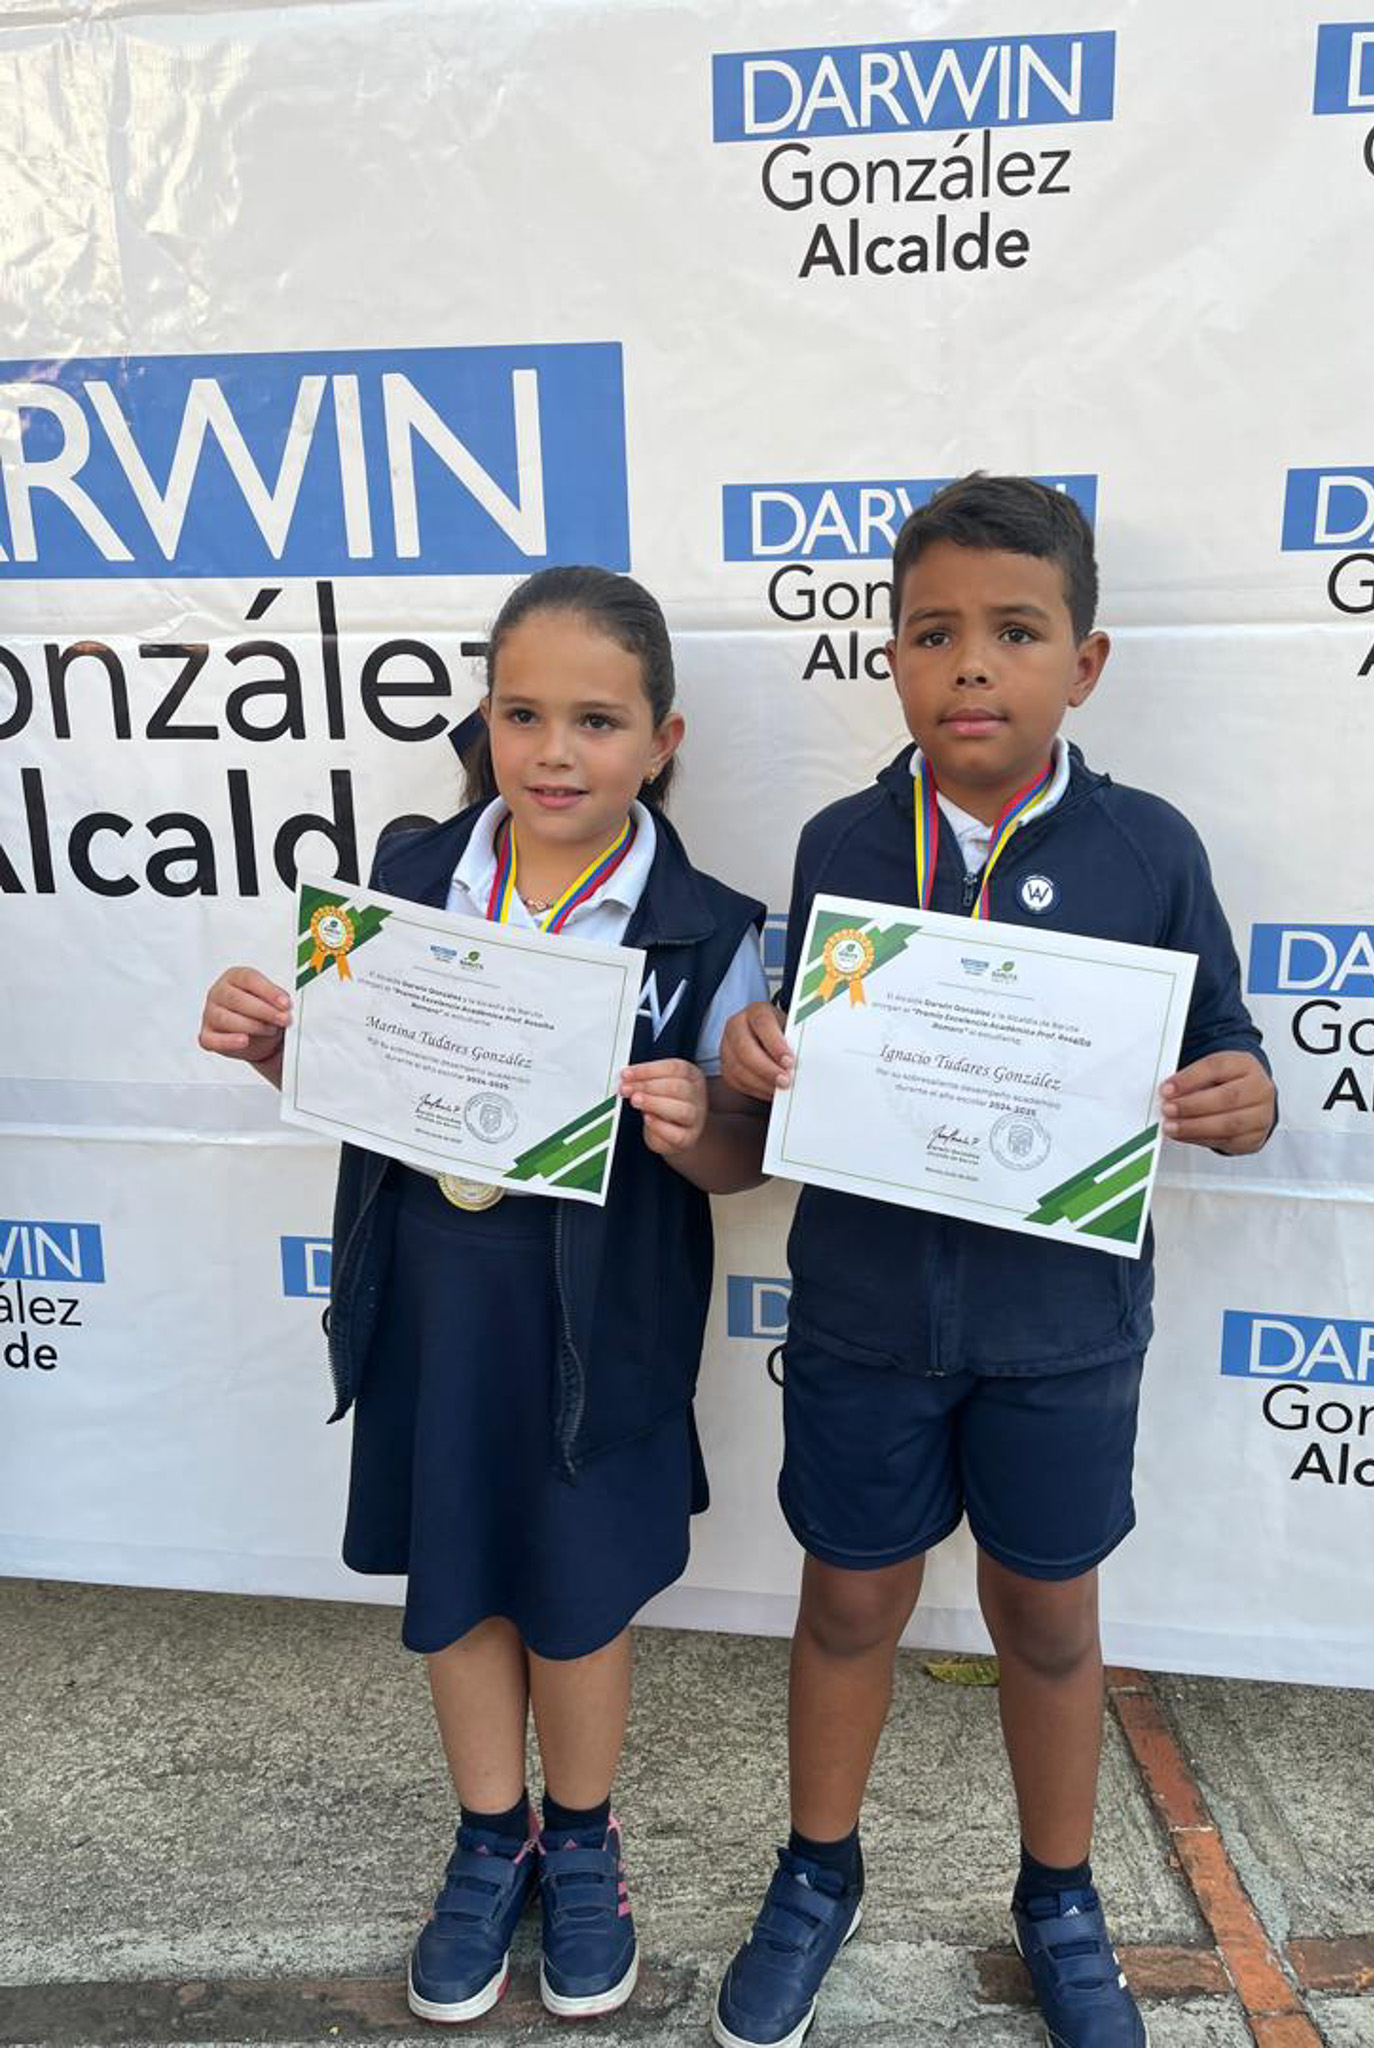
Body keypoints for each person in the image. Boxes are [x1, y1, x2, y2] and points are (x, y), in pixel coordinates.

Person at [714, 475, 1276, 2048]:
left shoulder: (1149, 850)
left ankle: (1061, 1897)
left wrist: (1243, 1095)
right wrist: (759, 1054)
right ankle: (817, 1874)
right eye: (934, 632)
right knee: (848, 1602)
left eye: (1016, 632)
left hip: (1064, 1333)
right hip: (865, 1318)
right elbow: (796, 1054)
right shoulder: (840, 843)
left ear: (1084, 665)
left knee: (1048, 1618)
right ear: (891, 657)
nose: (972, 663)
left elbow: (1227, 1048)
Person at [198, 566, 768, 2026]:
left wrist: (696, 1125)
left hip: (603, 1334)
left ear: (662, 741)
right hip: (435, 1307)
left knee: (577, 1600)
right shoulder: (405, 880)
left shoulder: (710, 928)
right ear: (487, 721)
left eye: (597, 720)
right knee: (455, 1581)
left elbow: (739, 1164)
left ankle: (580, 1844)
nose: (554, 752)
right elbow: (353, 1079)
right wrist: (274, 1048)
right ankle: (486, 1838)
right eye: (523, 715)